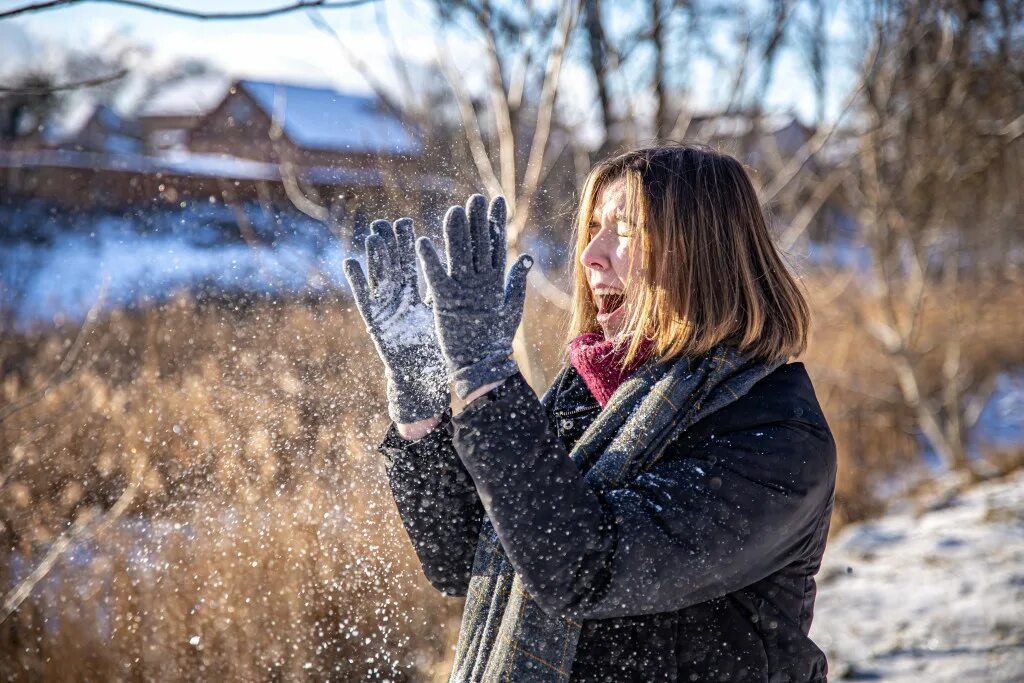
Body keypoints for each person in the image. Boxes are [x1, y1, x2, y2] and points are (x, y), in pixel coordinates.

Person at [343, 143, 837, 682]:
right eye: (593, 228)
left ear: (702, 255)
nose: (589, 256)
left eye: (623, 230)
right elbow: (469, 560)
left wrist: (487, 377)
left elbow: (584, 567)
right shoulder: (587, 396)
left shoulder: (777, 437)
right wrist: (423, 407)